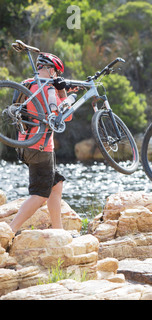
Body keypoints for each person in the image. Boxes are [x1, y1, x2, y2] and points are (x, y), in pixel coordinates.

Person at [9, 52, 72, 234]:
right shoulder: (50, 88)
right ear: (52, 70)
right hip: (41, 147)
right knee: (39, 194)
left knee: (56, 183)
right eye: (57, 73)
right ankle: (9, 231)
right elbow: (65, 116)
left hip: (25, 144)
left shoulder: (28, 84)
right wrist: (62, 90)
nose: (57, 77)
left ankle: (58, 231)